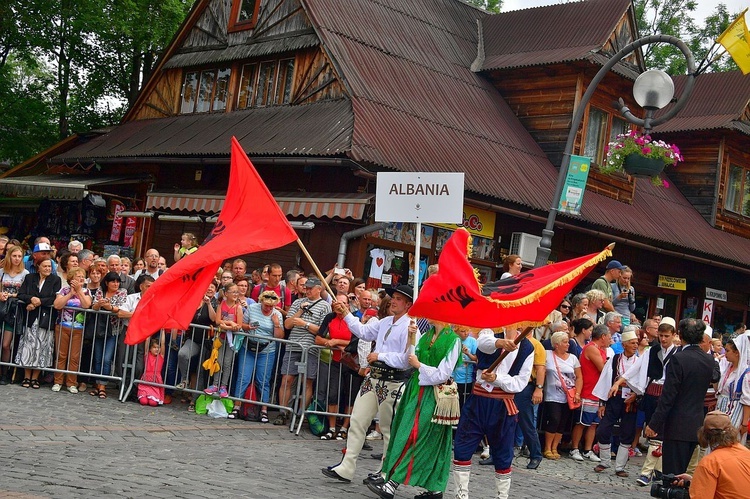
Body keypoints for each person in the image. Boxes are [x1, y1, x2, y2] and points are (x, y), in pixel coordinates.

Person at [321, 285, 414, 485]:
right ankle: (347, 466)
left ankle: (385, 471)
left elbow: (407, 359)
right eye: (393, 297)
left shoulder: (411, 328)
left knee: (388, 429)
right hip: (373, 380)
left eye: (398, 299)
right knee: (357, 420)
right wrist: (345, 313)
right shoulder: (384, 322)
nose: (393, 301)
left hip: (394, 381)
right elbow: (362, 332)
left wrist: (380, 355)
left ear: (408, 304)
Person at [366, 321, 461, 499]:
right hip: (416, 391)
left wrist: (419, 365)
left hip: (434, 397)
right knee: (407, 433)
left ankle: (393, 483)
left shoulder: (453, 341)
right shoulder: (425, 336)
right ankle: (434, 489)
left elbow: (443, 374)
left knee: (420, 437)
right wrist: (411, 339)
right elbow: (410, 359)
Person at [451, 326, 533, 499]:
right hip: (478, 401)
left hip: (503, 405)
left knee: (503, 454)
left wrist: (498, 378)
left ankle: (501, 496)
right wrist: (500, 342)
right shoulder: (490, 332)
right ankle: (461, 495)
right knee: (462, 447)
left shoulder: (527, 347)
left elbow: (520, 382)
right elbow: (483, 344)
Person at [645, 318, 716, 476]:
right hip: (696, 422)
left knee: (672, 474)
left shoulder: (679, 359)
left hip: (677, 424)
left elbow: (668, 395)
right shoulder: (709, 360)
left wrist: (654, 423)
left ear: (681, 335)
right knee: (684, 473)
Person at [275, 277, 331, 425]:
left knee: (307, 382)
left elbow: (323, 331)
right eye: (306, 288)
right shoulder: (298, 302)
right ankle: (282, 412)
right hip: (293, 346)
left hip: (310, 349)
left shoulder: (325, 306)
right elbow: (287, 324)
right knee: (286, 379)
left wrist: (305, 324)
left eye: (310, 288)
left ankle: (300, 414)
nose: (307, 290)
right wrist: (299, 311)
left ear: (319, 289)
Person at [231, 289, 284, 422]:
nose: (268, 308)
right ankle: (236, 407)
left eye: (271, 306)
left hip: (267, 350)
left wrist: (276, 324)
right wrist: (248, 327)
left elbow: (280, 336)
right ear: (261, 302)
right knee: (243, 377)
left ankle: (264, 410)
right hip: (248, 347)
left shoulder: (277, 314)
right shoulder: (252, 308)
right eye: (266, 305)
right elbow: (241, 324)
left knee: (263, 380)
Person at [593, 328, 640, 476]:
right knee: (603, 429)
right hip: (614, 398)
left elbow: (643, 382)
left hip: (631, 401)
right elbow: (605, 380)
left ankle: (620, 467)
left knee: (627, 432)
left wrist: (636, 395)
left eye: (636, 343)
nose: (635, 345)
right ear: (624, 344)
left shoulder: (639, 362)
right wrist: (602, 403)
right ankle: (605, 461)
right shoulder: (614, 360)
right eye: (632, 343)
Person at [673, 410, 750, 498]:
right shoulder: (746, 452)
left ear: (703, 434)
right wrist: (695, 481)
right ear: (732, 431)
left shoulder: (710, 463)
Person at [315, 294, 358, 440]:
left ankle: (345, 428)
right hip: (335, 361)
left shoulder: (353, 319)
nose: (340, 306)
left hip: (351, 363)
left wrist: (336, 341)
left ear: (348, 305)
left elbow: (356, 341)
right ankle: (332, 428)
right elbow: (318, 338)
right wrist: (330, 342)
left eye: (343, 303)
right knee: (332, 394)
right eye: (337, 303)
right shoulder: (330, 317)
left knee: (350, 396)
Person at [16, 258, 62, 388]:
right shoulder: (30, 278)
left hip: (45, 319)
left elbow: (54, 297)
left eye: (49, 266)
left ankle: (35, 377)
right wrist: (31, 299)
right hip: (30, 319)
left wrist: (39, 302)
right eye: (45, 266)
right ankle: (26, 376)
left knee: (41, 348)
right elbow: (21, 294)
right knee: (27, 347)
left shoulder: (55, 280)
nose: (48, 268)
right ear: (38, 267)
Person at [176, 282, 217, 411]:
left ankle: (193, 402)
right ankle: (184, 379)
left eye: (212, 287)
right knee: (183, 354)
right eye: (207, 286)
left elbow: (214, 319)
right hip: (192, 339)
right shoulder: (195, 300)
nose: (209, 288)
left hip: (206, 342)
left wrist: (208, 303)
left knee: (199, 372)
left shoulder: (215, 302)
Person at [542, 331, 582, 460]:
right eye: (565, 342)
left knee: (563, 422)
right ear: (556, 344)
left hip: (569, 395)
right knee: (554, 418)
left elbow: (579, 377)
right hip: (551, 394)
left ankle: (555, 447)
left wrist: (577, 393)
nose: (568, 344)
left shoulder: (573, 358)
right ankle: (547, 447)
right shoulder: (547, 355)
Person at [51, 267, 92, 393]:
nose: (80, 278)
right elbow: (57, 305)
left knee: (74, 356)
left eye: (82, 276)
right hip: (63, 326)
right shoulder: (63, 290)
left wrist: (79, 292)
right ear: (71, 279)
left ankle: (71, 382)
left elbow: (86, 305)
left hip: (78, 328)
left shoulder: (86, 292)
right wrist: (70, 294)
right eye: (77, 276)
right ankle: (58, 381)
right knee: (61, 355)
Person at [569, 321, 605, 463]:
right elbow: (603, 369)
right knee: (582, 422)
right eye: (608, 336)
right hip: (588, 390)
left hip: (597, 392)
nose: (610, 339)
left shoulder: (601, 349)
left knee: (594, 423)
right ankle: (574, 448)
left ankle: (587, 450)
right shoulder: (591, 348)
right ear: (603, 336)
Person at [90, 272, 128, 399]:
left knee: (107, 359)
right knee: (97, 358)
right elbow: (94, 307)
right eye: (113, 281)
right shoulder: (101, 290)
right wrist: (100, 304)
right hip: (99, 328)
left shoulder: (122, 292)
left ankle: (103, 385)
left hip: (114, 330)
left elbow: (121, 308)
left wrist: (110, 307)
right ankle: (97, 384)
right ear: (107, 282)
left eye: (117, 281)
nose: (116, 284)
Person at [513, 330, 546, 470]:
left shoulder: (536, 344)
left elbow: (540, 369)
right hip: (510, 384)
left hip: (526, 385)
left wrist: (539, 388)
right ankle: (497, 454)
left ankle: (535, 455)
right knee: (502, 420)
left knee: (526, 422)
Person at [204, 283, 243, 398]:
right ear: (226, 294)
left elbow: (239, 325)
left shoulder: (238, 308)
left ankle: (223, 386)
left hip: (231, 341)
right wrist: (230, 324)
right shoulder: (222, 304)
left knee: (227, 363)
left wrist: (225, 326)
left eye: (237, 292)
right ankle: (215, 384)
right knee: (218, 361)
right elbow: (217, 321)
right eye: (233, 292)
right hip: (220, 338)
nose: (236, 294)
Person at [0, 244, 29, 383]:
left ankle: (4, 373)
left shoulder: (25, 274)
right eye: (14, 256)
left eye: (19, 256)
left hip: (14, 311)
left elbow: (25, 293)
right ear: (9, 256)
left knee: (6, 344)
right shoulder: (1, 272)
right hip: (1, 307)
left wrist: (14, 295)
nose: (17, 259)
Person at [138, 330, 166, 406]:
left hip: (155, 382)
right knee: (143, 401)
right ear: (150, 349)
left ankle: (155, 396)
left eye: (158, 347)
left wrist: (163, 329)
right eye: (154, 347)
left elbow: (163, 343)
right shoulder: (147, 355)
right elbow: (147, 340)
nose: (157, 349)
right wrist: (150, 327)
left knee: (152, 403)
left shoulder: (161, 356)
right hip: (146, 380)